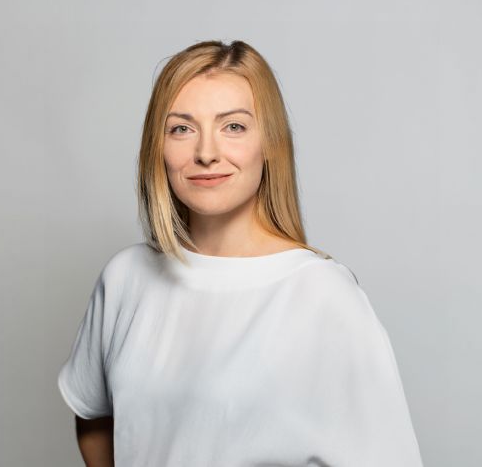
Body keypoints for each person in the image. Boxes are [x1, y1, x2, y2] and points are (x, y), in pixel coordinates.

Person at [57, 39, 424, 467]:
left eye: (233, 126)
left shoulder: (323, 295)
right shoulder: (126, 277)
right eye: (181, 129)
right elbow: (93, 415)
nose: (206, 153)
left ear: (270, 143)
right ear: (157, 147)